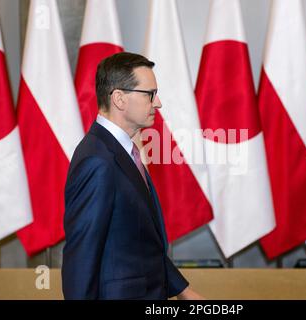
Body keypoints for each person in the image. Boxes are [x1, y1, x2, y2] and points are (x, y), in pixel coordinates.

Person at [62, 52, 203, 300]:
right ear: (119, 98)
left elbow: (141, 243)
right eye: (150, 94)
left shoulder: (121, 151)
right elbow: (81, 260)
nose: (157, 103)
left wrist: (183, 291)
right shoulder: (97, 161)